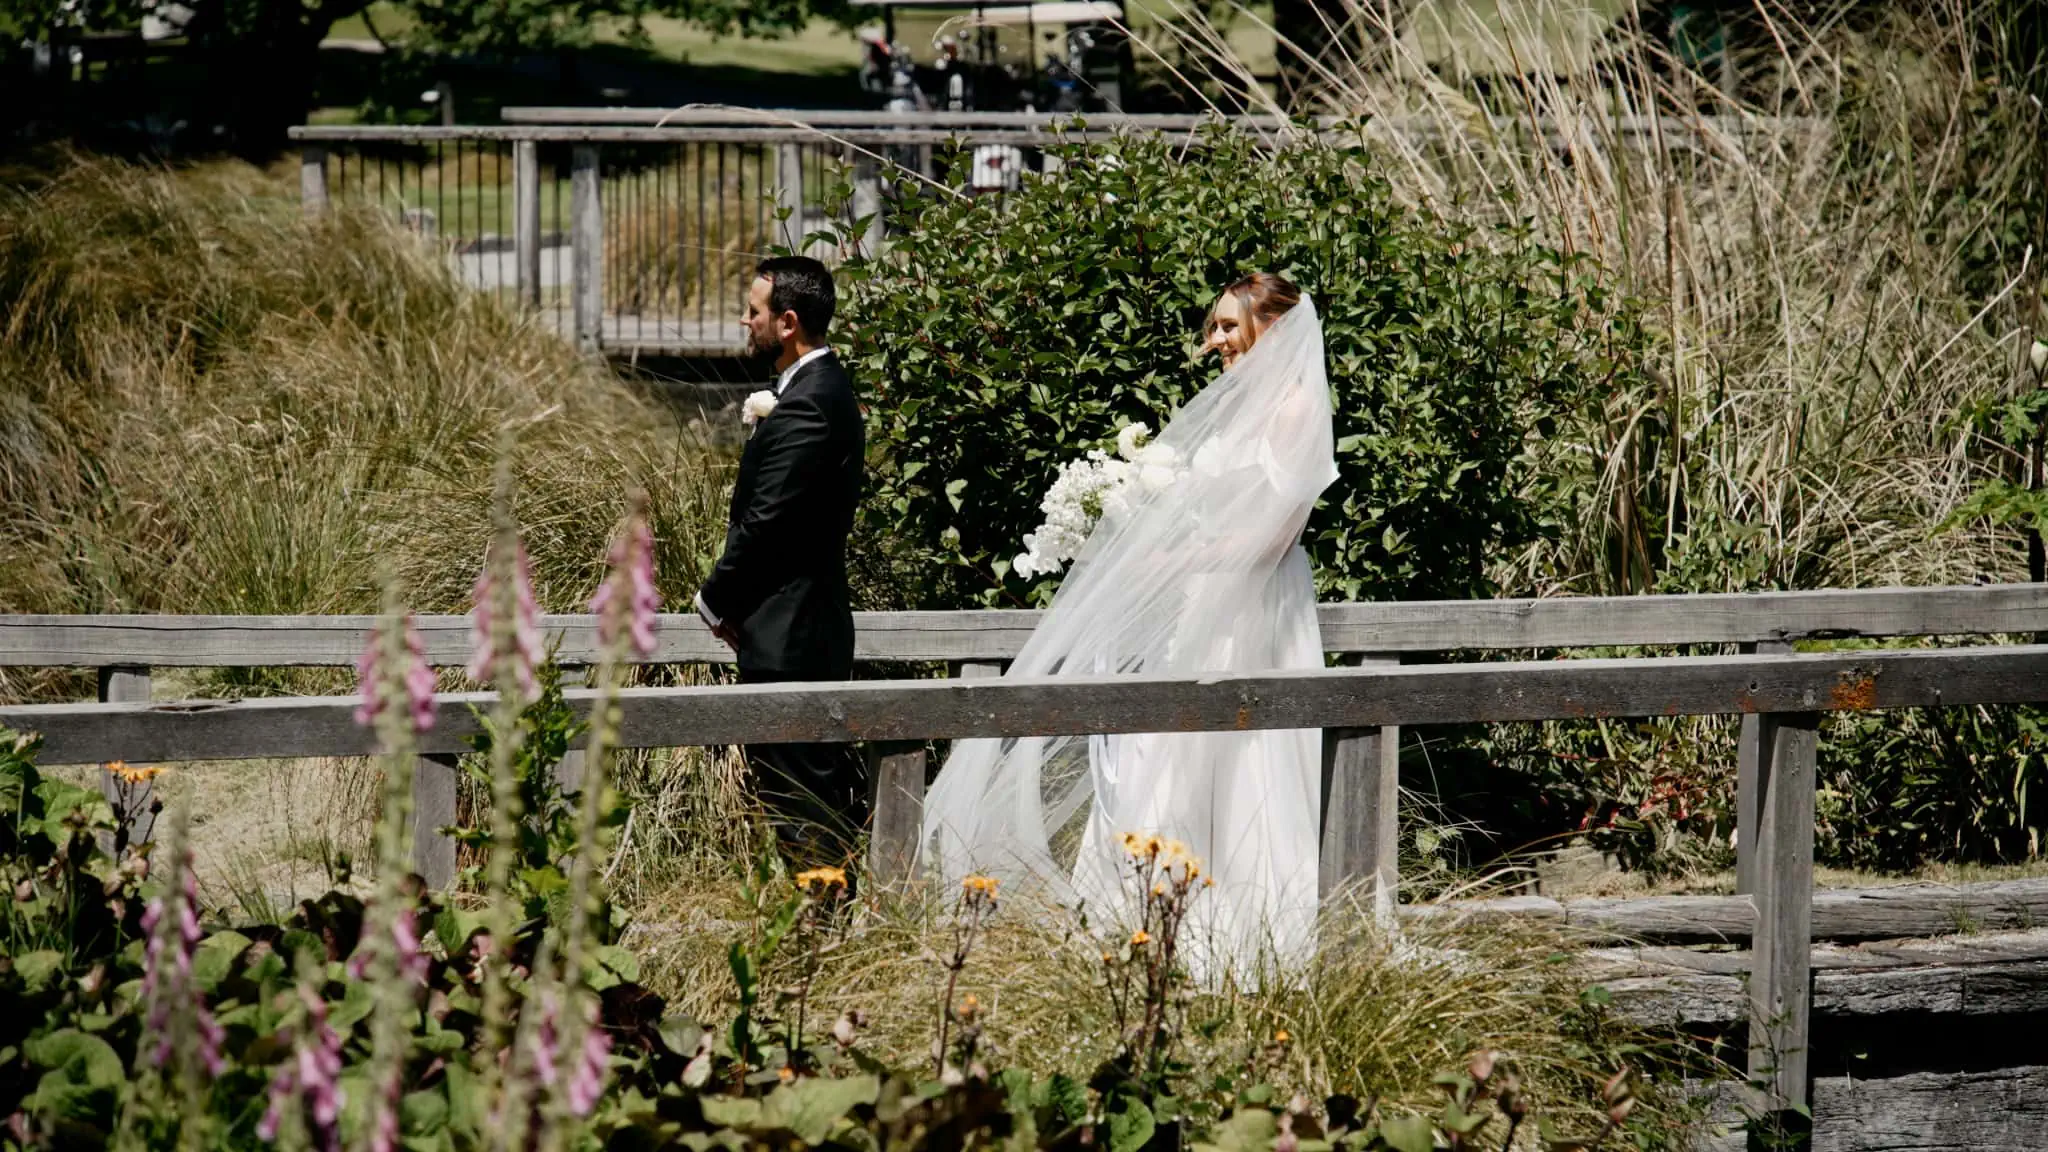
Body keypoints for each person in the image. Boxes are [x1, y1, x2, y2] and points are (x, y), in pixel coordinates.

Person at [920, 273, 1337, 982]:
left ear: (1274, 327)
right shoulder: (1234, 407)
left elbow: (1274, 536)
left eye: (1229, 327)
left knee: (1239, 764)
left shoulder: (1295, 408)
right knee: (1160, 755)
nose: (1214, 342)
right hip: (1201, 602)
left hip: (1254, 609)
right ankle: (1140, 918)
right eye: (1213, 327)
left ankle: (1242, 932)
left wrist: (1175, 556)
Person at [696, 256, 869, 868]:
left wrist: (713, 600)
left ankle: (821, 945)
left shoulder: (810, 405)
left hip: (792, 636)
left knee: (803, 809)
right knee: (792, 804)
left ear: (788, 321)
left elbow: (769, 522)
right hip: (794, 630)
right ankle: (815, 932)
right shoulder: (812, 391)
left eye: (754, 311)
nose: (745, 322)